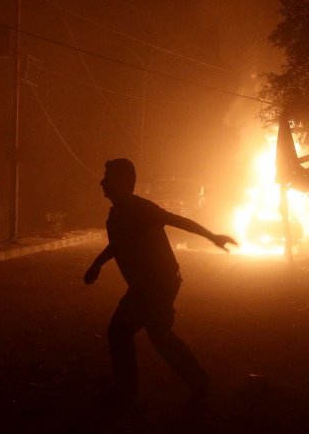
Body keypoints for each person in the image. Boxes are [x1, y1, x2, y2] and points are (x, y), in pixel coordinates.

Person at [83, 158, 236, 407]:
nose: (102, 182)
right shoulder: (120, 210)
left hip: (155, 284)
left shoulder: (139, 208)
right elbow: (119, 243)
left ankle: (128, 391)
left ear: (121, 182)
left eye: (108, 178)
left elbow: (177, 220)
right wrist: (97, 264)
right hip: (152, 283)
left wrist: (212, 237)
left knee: (120, 331)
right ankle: (196, 380)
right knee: (158, 334)